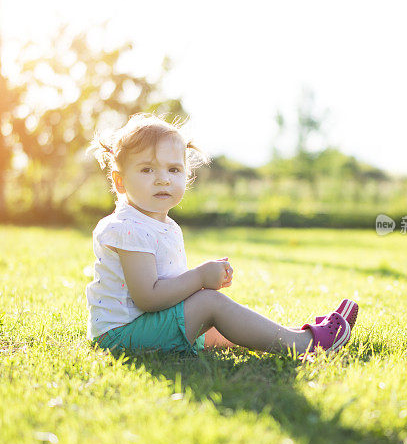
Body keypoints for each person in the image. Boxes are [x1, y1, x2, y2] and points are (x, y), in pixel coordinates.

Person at [86, 112, 358, 358]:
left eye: (173, 169)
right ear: (120, 181)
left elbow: (165, 285)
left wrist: (199, 283)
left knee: (221, 323)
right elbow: (149, 297)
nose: (163, 179)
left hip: (144, 326)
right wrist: (200, 278)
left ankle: (292, 334)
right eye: (147, 169)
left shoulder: (161, 224)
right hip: (121, 338)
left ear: (186, 174)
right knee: (209, 304)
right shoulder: (127, 227)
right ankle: (306, 344)